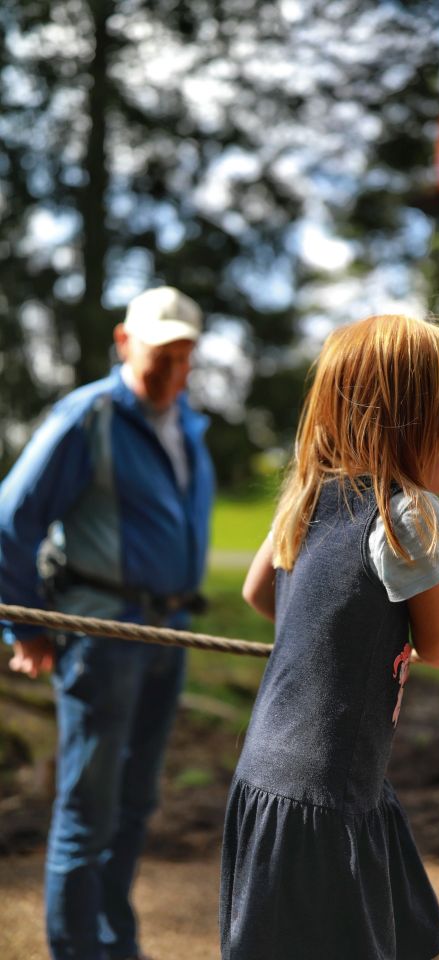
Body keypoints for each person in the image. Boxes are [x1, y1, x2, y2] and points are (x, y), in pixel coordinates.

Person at [220, 314, 439, 960]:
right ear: (415, 422)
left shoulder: (309, 495)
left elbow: (258, 593)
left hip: (264, 786)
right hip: (330, 800)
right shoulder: (408, 513)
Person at [0, 286, 216, 960]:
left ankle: (115, 944)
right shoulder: (85, 417)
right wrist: (26, 629)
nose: (172, 371)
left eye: (184, 357)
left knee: (135, 806)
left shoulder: (188, 425)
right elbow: (11, 521)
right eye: (161, 355)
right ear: (126, 344)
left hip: (166, 637)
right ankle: (77, 951)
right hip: (102, 639)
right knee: (88, 812)